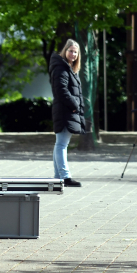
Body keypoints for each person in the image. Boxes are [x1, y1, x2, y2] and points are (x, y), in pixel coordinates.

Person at [49, 39, 85, 187]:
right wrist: (75, 105)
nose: (73, 54)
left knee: (60, 143)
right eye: (71, 51)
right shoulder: (62, 68)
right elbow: (61, 90)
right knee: (62, 144)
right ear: (65, 51)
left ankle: (58, 177)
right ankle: (65, 177)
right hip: (65, 111)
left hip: (67, 110)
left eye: (75, 52)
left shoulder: (69, 68)